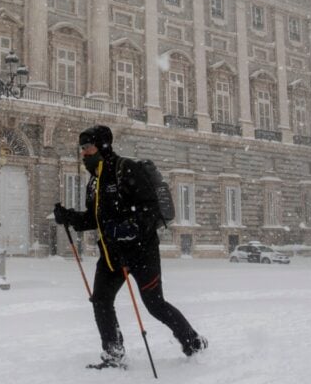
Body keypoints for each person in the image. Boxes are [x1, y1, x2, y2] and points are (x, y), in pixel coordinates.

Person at [53, 125, 207, 369]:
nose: (83, 153)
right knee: (101, 301)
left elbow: (149, 210)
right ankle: (113, 354)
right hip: (111, 257)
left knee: (155, 305)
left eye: (87, 147)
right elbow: (94, 220)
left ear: (102, 146)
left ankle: (193, 342)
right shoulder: (94, 183)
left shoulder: (126, 170)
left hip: (141, 254)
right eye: (81, 149)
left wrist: (129, 228)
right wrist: (68, 217)